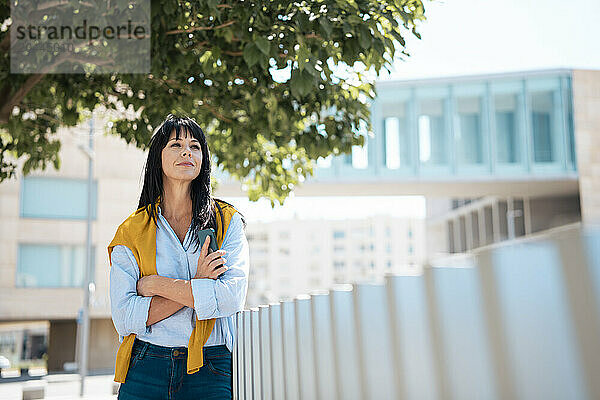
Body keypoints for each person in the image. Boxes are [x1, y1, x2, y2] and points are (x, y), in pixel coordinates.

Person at [108, 114, 249, 400]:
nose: (187, 151)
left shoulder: (227, 221)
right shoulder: (131, 231)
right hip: (145, 365)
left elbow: (231, 298)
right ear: (157, 158)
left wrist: (155, 285)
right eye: (176, 144)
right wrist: (198, 282)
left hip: (210, 367)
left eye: (195, 146)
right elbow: (124, 317)